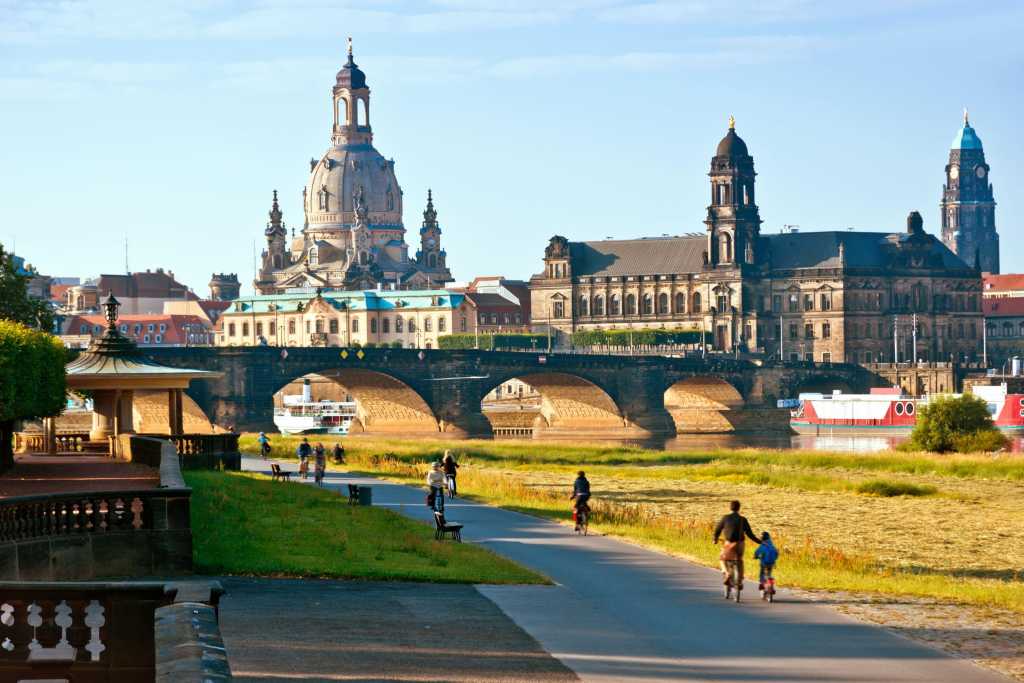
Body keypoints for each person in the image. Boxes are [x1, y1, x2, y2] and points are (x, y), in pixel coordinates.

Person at [712, 500, 762, 592]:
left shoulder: (725, 518)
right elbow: (750, 534)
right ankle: (740, 581)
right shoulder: (743, 520)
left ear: (730, 507)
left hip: (728, 544)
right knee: (739, 561)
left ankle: (726, 573)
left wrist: (715, 539)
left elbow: (717, 530)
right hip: (740, 544)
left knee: (722, 558)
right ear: (739, 508)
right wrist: (760, 542)